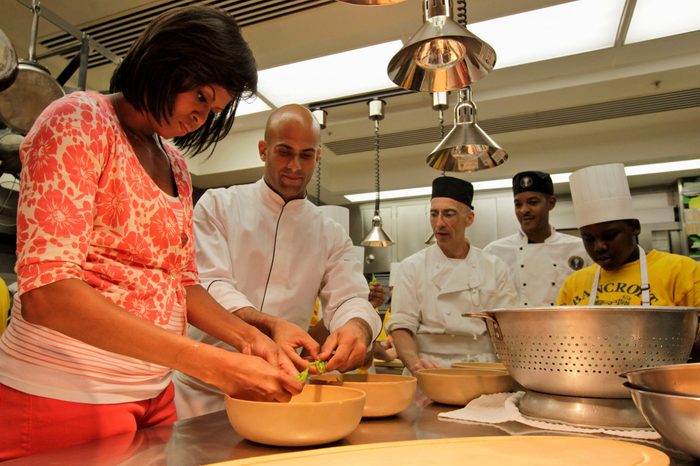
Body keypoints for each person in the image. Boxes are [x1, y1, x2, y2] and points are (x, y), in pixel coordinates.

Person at [0, 6, 303, 461]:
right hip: (65, 390)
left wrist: (249, 339)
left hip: (153, 392)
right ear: (167, 62)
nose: (201, 117)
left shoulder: (175, 163)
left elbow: (179, 284)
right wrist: (210, 362)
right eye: (199, 97)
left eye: (213, 109)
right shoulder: (79, 121)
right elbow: (49, 293)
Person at [173, 104, 382, 419]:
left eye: (306, 155)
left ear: (318, 157)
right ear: (263, 150)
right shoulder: (219, 205)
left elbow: (350, 297)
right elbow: (209, 284)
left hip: (280, 393)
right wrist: (271, 324)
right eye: (284, 152)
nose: (295, 166)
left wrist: (358, 327)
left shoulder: (330, 233)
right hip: (204, 391)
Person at [387, 176, 518, 374]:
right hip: (428, 368)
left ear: (469, 219)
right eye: (433, 214)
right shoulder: (412, 267)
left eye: (449, 214)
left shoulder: (494, 267)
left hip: (483, 368)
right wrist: (415, 364)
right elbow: (401, 326)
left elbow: (509, 327)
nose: (439, 223)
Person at [556, 163, 700, 310]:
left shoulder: (682, 271)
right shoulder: (574, 284)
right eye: (589, 239)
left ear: (634, 228)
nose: (599, 246)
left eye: (610, 236)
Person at [484, 171, 590, 307]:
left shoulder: (579, 248)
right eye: (518, 204)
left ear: (551, 203)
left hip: (567, 326)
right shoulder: (494, 252)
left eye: (532, 202)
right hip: (516, 327)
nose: (524, 210)